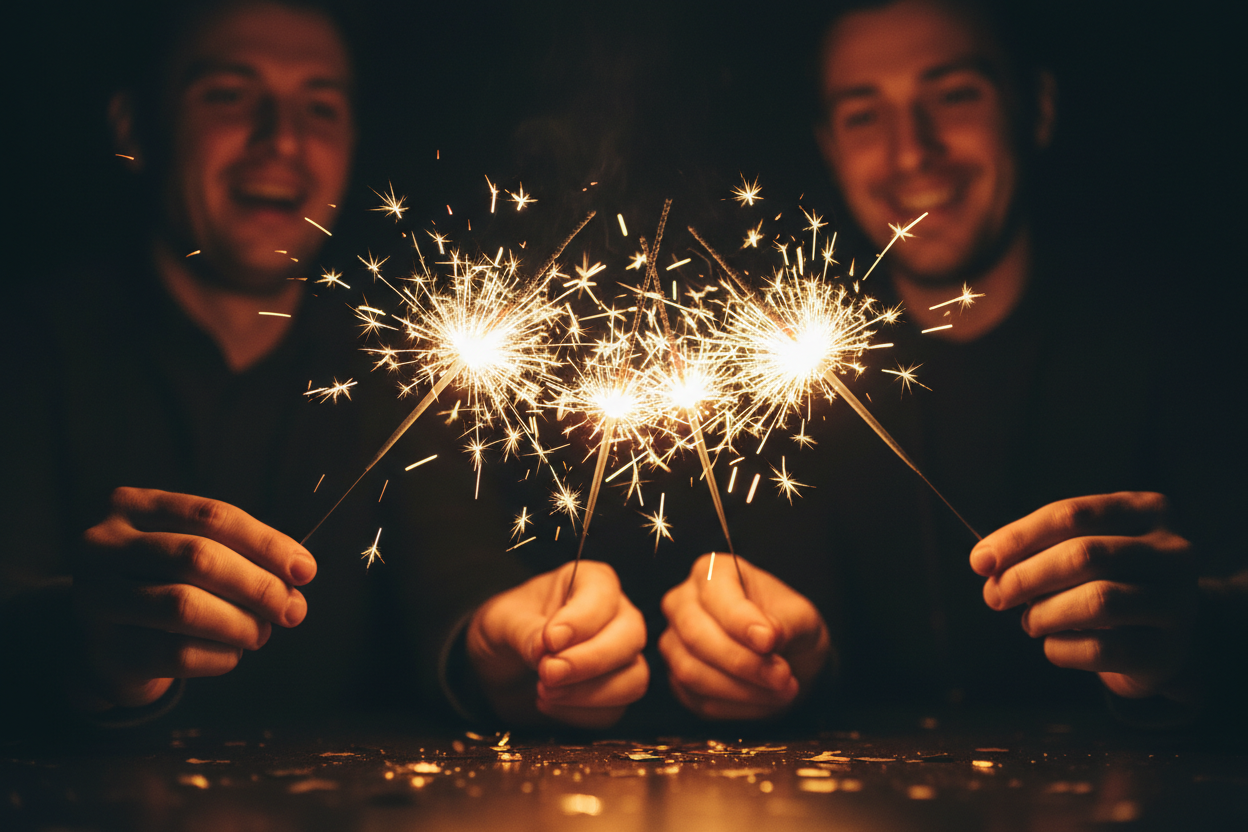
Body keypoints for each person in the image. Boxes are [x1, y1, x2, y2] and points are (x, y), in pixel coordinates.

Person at [0, 0, 647, 736]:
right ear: (133, 126)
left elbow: (458, 587)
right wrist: (79, 641)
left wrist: (519, 647)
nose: (281, 140)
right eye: (230, 96)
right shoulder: (25, 345)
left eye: (320, 107)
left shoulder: (396, 371)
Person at [657, 0, 1245, 724]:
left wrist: (1204, 632)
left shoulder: (1192, 329)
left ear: (1038, 110)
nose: (912, 152)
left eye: (954, 94)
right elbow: (772, 636)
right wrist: (767, 662)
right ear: (830, 147)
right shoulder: (774, 390)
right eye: (865, 114)